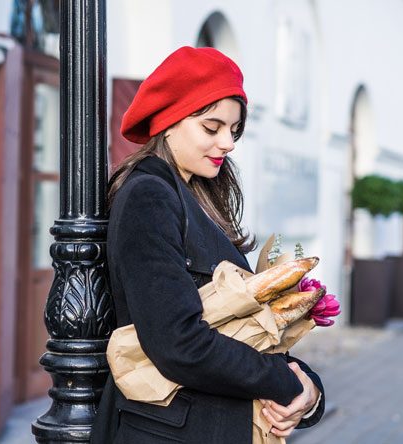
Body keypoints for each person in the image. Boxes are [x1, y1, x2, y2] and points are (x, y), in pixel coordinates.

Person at [90, 46, 325, 443]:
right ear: (168, 122)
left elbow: (235, 330)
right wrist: (283, 382)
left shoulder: (192, 196)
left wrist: (310, 391)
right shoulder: (150, 195)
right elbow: (178, 342)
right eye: (212, 127)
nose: (228, 143)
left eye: (234, 130)